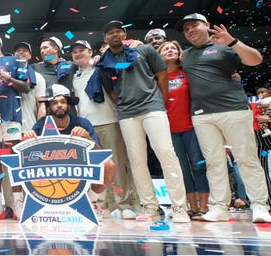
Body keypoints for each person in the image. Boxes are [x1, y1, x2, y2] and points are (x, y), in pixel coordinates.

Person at [176, 12, 271, 222]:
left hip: (234, 110)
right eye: (186, 29)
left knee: (247, 158)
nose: (190, 30)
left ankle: (259, 206)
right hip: (201, 115)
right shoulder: (186, 55)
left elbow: (255, 60)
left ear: (207, 25)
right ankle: (219, 207)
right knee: (213, 162)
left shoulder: (226, 46)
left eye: (194, 25)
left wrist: (233, 41)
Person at [97, 20, 190, 223]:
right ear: (105, 38)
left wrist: (160, 100)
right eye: (110, 32)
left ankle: (180, 208)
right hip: (127, 114)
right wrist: (123, 104)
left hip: (153, 108)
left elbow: (162, 75)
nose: (114, 35)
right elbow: (111, 91)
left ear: (124, 35)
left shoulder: (145, 50)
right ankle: (150, 208)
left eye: (118, 31)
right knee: (137, 161)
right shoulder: (104, 62)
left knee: (166, 155)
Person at [67, 40, 140, 219]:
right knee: (95, 169)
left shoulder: (101, 67)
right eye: (74, 51)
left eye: (82, 50)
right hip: (86, 127)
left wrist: (103, 58)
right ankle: (103, 205)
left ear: (90, 52)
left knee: (116, 166)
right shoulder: (74, 76)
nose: (78, 54)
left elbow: (123, 63)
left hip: (108, 121)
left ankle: (125, 204)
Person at [0, 30, 34, 219]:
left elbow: (26, 87)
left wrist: (6, 77)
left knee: (13, 160)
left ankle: (17, 204)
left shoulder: (15, 61)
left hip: (11, 116)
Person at [24, 84, 115, 197]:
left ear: (69, 106)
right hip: (52, 173)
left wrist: (88, 138)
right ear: (48, 107)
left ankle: (92, 201)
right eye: (54, 102)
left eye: (63, 101)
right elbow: (28, 160)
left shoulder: (83, 123)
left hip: (78, 170)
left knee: (108, 164)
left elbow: (99, 153)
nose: (59, 105)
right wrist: (29, 141)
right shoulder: (40, 125)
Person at [157, 40, 210, 217]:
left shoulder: (187, 73)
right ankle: (191, 207)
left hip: (192, 128)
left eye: (174, 48)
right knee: (182, 169)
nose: (170, 50)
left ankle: (204, 207)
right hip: (169, 130)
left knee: (198, 166)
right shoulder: (156, 78)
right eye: (166, 48)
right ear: (159, 55)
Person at [13, 41, 46, 131]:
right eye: (18, 51)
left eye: (24, 50)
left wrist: (38, 127)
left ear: (30, 56)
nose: (21, 52)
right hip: (10, 126)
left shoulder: (38, 77)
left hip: (30, 126)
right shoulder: (7, 75)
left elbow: (41, 104)